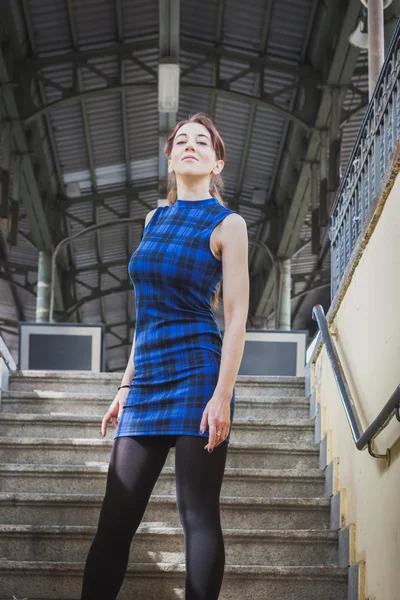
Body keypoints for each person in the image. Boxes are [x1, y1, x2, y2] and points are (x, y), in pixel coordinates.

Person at [80, 113, 249, 599]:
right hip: (148, 379)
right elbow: (145, 314)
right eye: (181, 141)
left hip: (199, 374)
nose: (190, 145)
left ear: (217, 163)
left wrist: (222, 395)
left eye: (202, 141)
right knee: (114, 522)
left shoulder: (228, 224)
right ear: (170, 157)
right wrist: (125, 386)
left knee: (197, 515)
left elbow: (235, 316)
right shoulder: (154, 219)